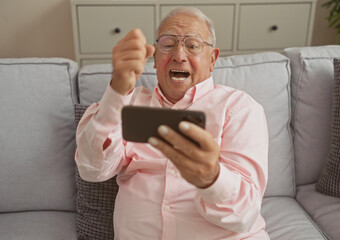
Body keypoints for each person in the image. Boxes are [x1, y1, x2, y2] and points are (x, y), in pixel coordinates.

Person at [75, 6, 269, 239]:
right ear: (155, 57)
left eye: (193, 45)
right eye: (168, 44)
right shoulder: (127, 103)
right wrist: (117, 90)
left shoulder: (239, 108)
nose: (179, 55)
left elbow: (245, 214)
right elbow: (92, 169)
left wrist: (212, 177)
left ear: (212, 59)